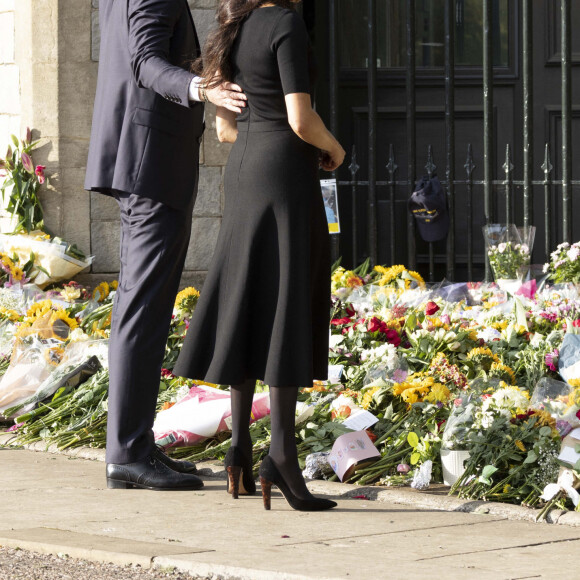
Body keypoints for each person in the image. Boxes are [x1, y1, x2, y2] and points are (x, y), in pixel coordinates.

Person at [173, 0, 345, 511]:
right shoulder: (286, 22)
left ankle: (239, 452)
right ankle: (283, 457)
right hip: (283, 176)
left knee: (248, 301)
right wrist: (335, 148)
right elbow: (300, 116)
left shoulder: (233, 26)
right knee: (286, 302)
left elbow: (225, 129)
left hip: (243, 170)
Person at [84, 0, 247, 491]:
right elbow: (144, 61)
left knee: (142, 306)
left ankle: (134, 444)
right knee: (142, 308)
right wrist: (202, 87)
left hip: (143, 158)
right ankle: (128, 455)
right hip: (150, 163)